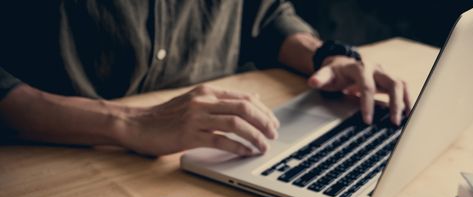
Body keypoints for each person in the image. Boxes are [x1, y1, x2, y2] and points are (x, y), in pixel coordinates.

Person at [0, 0, 410, 157]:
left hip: (205, 158)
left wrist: (324, 55)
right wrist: (131, 121)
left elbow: (264, 15)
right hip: (52, 163)